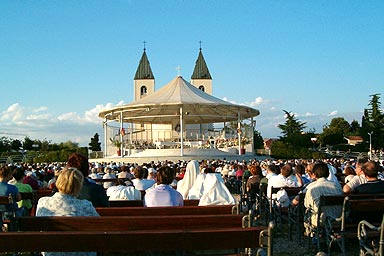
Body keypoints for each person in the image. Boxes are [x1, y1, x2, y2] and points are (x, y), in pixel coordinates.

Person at [36, 167, 99, 256]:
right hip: (81, 252)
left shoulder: (43, 202)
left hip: (51, 252)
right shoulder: (86, 206)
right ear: (79, 186)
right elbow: (98, 227)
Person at [304, 161, 343, 228]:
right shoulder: (337, 186)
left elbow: (307, 205)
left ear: (314, 174)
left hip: (320, 220)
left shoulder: (311, 188)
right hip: (338, 218)